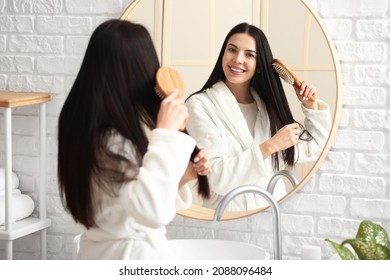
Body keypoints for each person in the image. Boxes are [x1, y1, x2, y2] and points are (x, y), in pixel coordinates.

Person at [57, 19, 211, 259]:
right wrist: (166, 135)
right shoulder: (112, 142)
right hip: (130, 258)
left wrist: (180, 179)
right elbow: (152, 212)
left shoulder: (87, 128)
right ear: (139, 69)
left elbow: (134, 202)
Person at [185, 22, 331, 211]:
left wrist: (310, 105)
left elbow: (318, 146)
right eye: (232, 50)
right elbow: (216, 177)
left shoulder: (268, 108)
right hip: (228, 217)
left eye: (249, 55)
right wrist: (270, 147)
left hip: (271, 212)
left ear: (259, 64)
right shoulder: (200, 105)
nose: (237, 59)